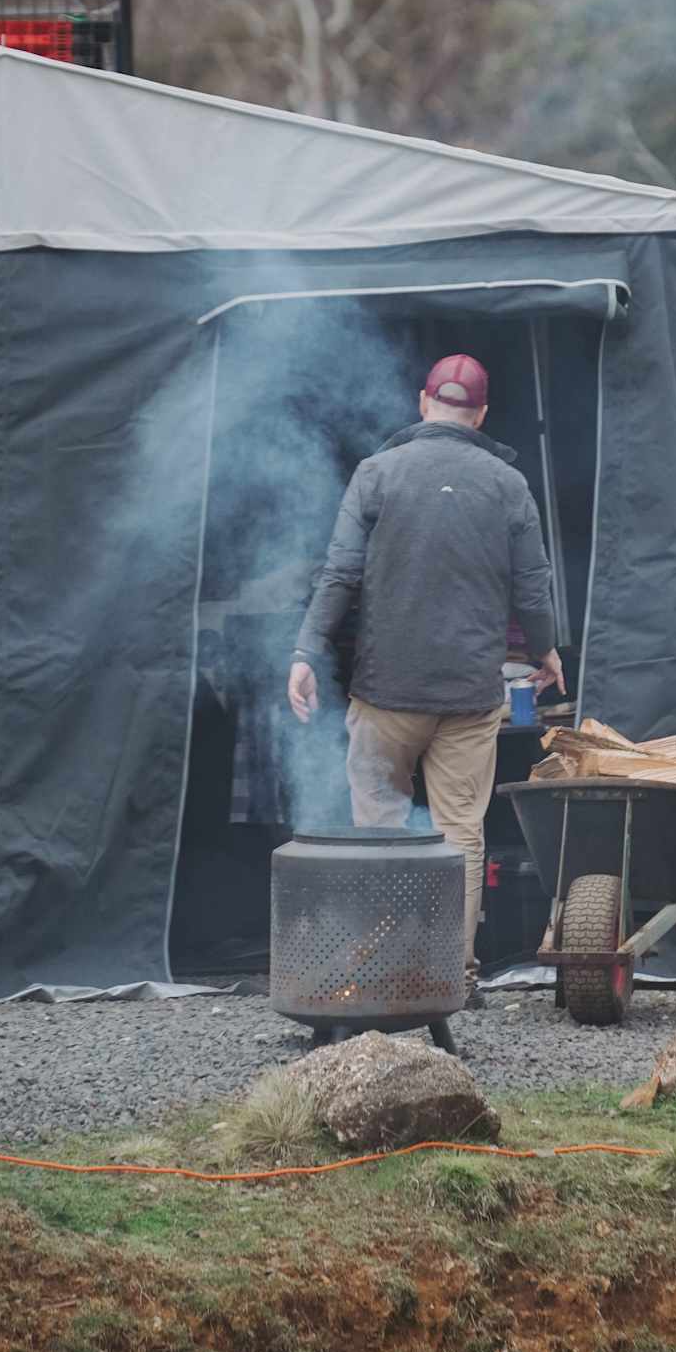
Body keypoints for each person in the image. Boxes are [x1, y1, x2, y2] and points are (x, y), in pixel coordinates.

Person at [287, 353, 564, 988]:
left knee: (381, 829)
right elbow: (533, 587)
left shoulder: (376, 473)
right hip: (469, 696)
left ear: (422, 403)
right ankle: (451, 974)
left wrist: (306, 651)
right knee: (460, 835)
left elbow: (340, 574)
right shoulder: (507, 484)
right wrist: (546, 649)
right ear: (482, 414)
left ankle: (384, 972)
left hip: (385, 694)